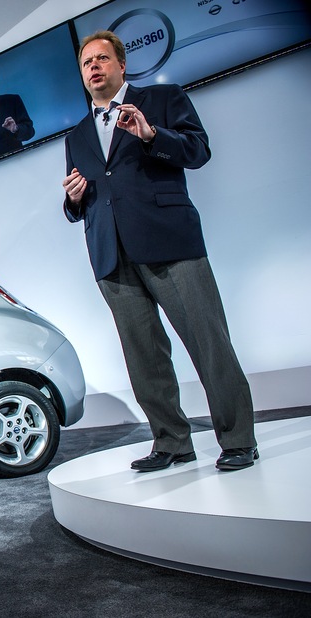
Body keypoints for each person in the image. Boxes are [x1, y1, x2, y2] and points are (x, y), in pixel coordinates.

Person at [60, 31, 257, 472]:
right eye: (86, 63)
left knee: (209, 343)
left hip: (170, 242)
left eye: (102, 59)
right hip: (112, 255)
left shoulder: (163, 99)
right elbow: (82, 199)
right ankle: (172, 441)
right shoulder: (76, 136)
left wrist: (151, 135)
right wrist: (73, 200)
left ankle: (239, 438)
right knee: (144, 357)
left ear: (121, 65)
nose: (93, 67)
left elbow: (198, 150)